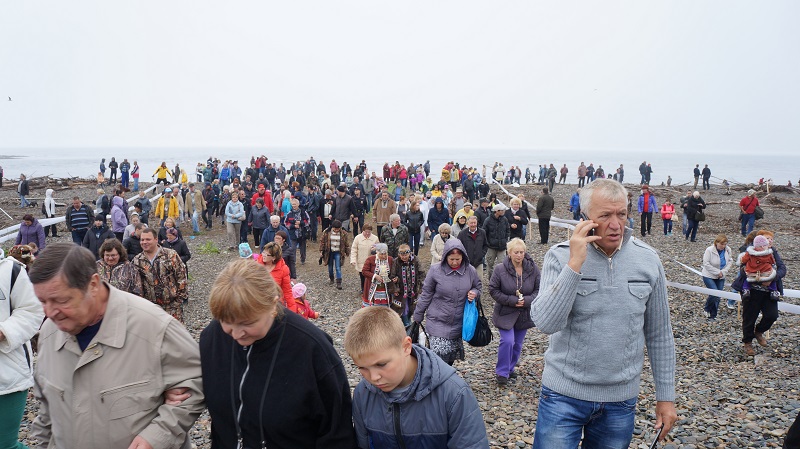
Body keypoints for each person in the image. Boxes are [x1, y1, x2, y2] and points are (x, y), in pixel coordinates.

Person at [531, 179, 677, 447]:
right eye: (605, 215)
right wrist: (575, 264)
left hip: (620, 400)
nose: (615, 224)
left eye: (621, 214)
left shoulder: (648, 260)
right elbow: (545, 323)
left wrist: (665, 398)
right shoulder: (559, 256)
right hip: (562, 395)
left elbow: (660, 335)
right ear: (585, 218)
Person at [29, 243, 204, 449]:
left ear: (93, 284)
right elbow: (46, 413)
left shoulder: (153, 327)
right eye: (43, 301)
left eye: (60, 300)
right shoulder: (49, 334)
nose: (49, 312)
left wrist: (157, 436)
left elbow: (195, 383)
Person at [200, 259, 357, 448]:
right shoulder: (212, 338)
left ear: (273, 305)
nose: (236, 334)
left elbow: (337, 433)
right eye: (225, 321)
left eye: (247, 323)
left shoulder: (312, 349)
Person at [345, 306, 489, 449]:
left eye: (381, 364)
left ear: (406, 347)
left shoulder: (454, 394)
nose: (373, 377)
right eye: (362, 368)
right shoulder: (363, 394)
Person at [413, 239, 482, 366]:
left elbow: (478, 287)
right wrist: (418, 315)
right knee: (437, 358)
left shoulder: (470, 270)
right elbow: (426, 294)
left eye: (458, 259)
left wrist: (474, 293)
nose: (455, 262)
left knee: (449, 359)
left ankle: (443, 382)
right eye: (451, 259)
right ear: (445, 257)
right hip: (437, 321)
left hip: (458, 322)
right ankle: (435, 382)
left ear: (463, 257)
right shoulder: (435, 271)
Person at [0, 255, 44, 449]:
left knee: (5, 445)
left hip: (8, 375)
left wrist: (3, 332)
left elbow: (32, 310)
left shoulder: (10, 270)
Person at [490, 238, 540, 386]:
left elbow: (539, 289)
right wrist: (512, 300)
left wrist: (528, 300)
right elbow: (493, 290)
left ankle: (510, 368)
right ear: (509, 253)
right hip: (505, 312)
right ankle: (502, 372)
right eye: (516, 252)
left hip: (524, 313)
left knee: (517, 344)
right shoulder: (500, 269)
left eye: (522, 252)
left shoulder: (533, 268)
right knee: (507, 341)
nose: (519, 255)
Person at [733, 230, 786, 356]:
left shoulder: (773, 252)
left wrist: (772, 278)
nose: (770, 241)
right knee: (749, 318)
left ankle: (759, 331)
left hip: (769, 291)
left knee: (772, 315)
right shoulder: (750, 251)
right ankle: (748, 342)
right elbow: (741, 268)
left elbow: (782, 268)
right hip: (752, 290)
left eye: (771, 239)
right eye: (767, 238)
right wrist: (757, 277)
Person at [131, 228, 189, 322]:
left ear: (156, 239)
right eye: (142, 240)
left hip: (171, 307)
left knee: (174, 335)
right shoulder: (137, 260)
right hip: (150, 308)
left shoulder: (170, 255)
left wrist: (179, 300)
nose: (144, 242)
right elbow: (135, 285)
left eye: (148, 239)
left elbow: (181, 277)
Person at [256, 241, 296, 313]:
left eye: (266, 254)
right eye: (263, 252)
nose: (263, 255)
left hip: (276, 305)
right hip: (259, 303)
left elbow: (287, 291)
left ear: (274, 257)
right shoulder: (256, 266)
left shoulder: (283, 269)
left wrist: (292, 310)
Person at [388, 243, 422, 325]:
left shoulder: (415, 260)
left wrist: (420, 286)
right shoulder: (396, 262)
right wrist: (395, 286)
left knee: (412, 307)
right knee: (403, 308)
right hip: (401, 291)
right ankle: (407, 324)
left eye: (405, 255)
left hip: (413, 290)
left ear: (409, 253)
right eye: (401, 255)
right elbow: (392, 275)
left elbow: (421, 273)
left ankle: (407, 321)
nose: (403, 257)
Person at [701, 234, 733, 321]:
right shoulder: (709, 250)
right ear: (716, 243)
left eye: (725, 244)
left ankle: (713, 315)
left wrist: (723, 272)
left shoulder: (728, 250)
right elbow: (706, 264)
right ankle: (707, 308)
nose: (723, 246)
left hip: (721, 276)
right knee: (714, 293)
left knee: (718, 296)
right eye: (721, 244)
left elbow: (730, 261)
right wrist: (717, 272)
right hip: (708, 275)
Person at [320, 220, 350, 290]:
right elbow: (322, 242)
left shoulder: (344, 233)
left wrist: (347, 251)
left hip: (338, 252)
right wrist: (321, 251)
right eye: (335, 229)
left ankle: (339, 282)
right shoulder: (327, 232)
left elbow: (346, 243)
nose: (336, 230)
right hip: (329, 252)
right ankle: (331, 278)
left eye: (338, 229)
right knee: (330, 267)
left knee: (338, 267)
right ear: (332, 227)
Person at [361, 243, 393, 308]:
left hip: (385, 288)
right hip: (372, 287)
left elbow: (394, 271)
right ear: (377, 252)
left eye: (385, 254)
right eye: (382, 254)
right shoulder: (370, 259)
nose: (384, 256)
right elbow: (364, 271)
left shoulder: (390, 259)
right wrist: (375, 276)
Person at [351, 224, 380, 293]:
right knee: (362, 275)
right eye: (366, 232)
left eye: (369, 232)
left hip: (372, 262)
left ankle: (371, 289)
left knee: (371, 276)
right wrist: (353, 260)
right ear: (362, 231)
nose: (367, 233)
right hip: (361, 261)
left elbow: (379, 249)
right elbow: (354, 249)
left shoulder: (375, 238)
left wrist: (375, 249)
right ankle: (363, 289)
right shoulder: (357, 238)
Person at [483, 203, 510, 275]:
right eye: (502, 210)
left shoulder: (504, 219)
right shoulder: (488, 220)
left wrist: (505, 239)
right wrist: (487, 242)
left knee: (502, 264)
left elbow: (508, 230)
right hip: (491, 246)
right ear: (497, 211)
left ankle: (501, 280)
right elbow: (484, 232)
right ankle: (491, 279)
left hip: (502, 246)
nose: (503, 211)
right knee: (490, 264)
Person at [284, 198, 310, 264]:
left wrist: (301, 223)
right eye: (293, 204)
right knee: (292, 248)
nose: (294, 206)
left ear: (298, 204)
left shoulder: (304, 212)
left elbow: (308, 221)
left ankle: (303, 259)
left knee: (303, 248)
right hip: (293, 233)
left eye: (295, 204)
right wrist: (293, 226)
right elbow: (286, 223)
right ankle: (293, 261)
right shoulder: (289, 213)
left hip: (302, 233)